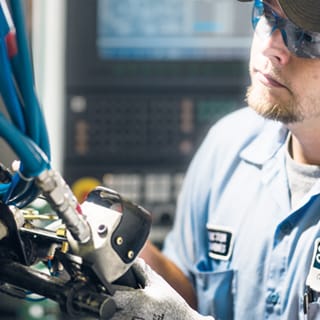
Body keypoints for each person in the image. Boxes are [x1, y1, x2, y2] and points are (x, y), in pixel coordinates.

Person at [111, 0, 320, 319]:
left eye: (305, 37)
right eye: (266, 16)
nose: (269, 47)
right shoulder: (228, 145)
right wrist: (126, 254)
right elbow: (189, 291)